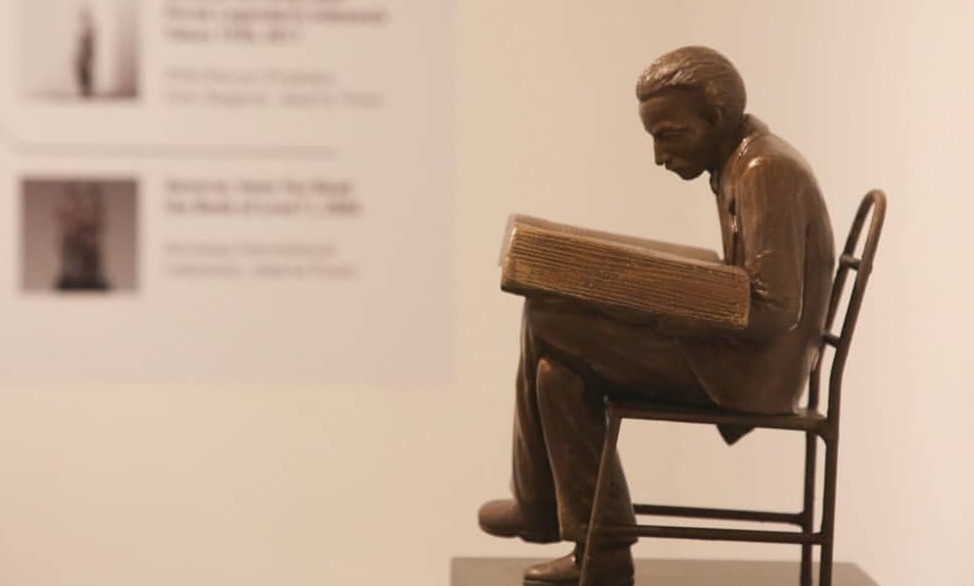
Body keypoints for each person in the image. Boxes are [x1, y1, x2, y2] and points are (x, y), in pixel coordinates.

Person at [478, 46, 835, 586]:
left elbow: (774, 308)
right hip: (738, 354)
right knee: (556, 372)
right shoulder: (739, 158)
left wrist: (657, 305)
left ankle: (539, 506)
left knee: (546, 319)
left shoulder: (765, 169)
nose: (658, 156)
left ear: (716, 119)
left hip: (753, 372)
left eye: (669, 135)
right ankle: (601, 554)